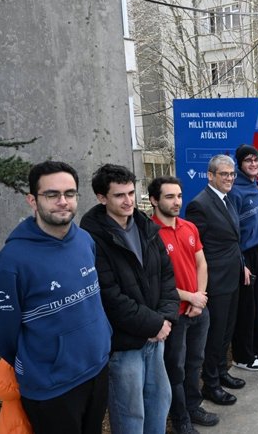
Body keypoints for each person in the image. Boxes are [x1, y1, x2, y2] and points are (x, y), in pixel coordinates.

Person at [0, 161, 111, 434]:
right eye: (52, 194)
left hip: (97, 368)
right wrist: (41, 361)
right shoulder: (10, 262)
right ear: (32, 200)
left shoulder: (85, 241)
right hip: (51, 386)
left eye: (69, 193)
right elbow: (1, 333)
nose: (63, 201)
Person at [80, 164, 179, 434]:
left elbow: (167, 275)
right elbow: (109, 296)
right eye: (119, 195)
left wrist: (165, 320)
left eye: (131, 193)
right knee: (130, 413)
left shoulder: (145, 226)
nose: (128, 201)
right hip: (124, 344)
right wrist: (154, 324)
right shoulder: (91, 239)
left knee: (159, 403)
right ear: (102, 198)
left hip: (156, 336)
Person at [148, 176, 219, 433]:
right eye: (169, 197)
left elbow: (202, 263)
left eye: (178, 196)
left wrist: (199, 297)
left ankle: (193, 406)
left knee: (194, 362)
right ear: (154, 200)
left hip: (198, 309)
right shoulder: (149, 235)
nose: (177, 202)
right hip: (174, 315)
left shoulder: (189, 227)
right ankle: (180, 419)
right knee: (175, 368)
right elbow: (155, 282)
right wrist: (190, 297)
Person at [185, 155, 247, 405]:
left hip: (232, 276)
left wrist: (242, 265)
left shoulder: (228, 198)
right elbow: (196, 251)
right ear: (210, 175)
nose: (229, 178)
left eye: (232, 174)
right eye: (224, 174)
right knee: (215, 334)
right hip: (216, 281)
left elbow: (232, 239)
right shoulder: (199, 205)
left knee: (226, 331)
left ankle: (222, 372)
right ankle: (210, 384)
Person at [226, 145, 258, 372]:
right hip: (243, 255)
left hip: (257, 250)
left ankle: (256, 346)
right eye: (248, 160)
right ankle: (242, 356)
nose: (253, 164)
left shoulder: (254, 184)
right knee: (247, 308)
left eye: (256, 160)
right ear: (240, 164)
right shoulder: (235, 190)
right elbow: (233, 232)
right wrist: (242, 263)